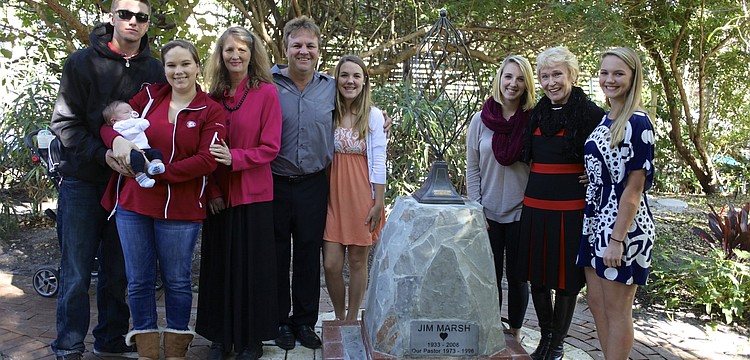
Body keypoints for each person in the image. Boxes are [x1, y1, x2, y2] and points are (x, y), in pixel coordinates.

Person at [48, 1, 164, 358]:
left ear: (147, 24)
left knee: (119, 272)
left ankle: (111, 341)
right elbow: (64, 124)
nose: (133, 22)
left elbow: (160, 124)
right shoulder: (80, 63)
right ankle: (68, 346)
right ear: (112, 17)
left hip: (128, 187)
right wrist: (104, 156)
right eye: (125, 14)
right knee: (77, 273)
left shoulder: (156, 69)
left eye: (141, 17)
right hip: (83, 182)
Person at [101, 40, 226, 360]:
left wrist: (161, 172)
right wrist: (115, 142)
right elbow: (109, 124)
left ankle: (174, 353)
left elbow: (207, 161)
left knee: (177, 281)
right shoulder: (148, 97)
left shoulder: (211, 109)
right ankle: (147, 353)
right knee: (139, 280)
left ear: (198, 66)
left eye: (185, 64)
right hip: (134, 205)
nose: (178, 71)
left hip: (181, 210)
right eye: (171, 65)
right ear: (164, 69)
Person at [196, 26, 282, 360]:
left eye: (242, 50)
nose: (235, 55)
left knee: (252, 270)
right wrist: (214, 189)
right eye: (229, 50)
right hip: (219, 197)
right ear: (221, 54)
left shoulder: (267, 94)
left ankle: (251, 340)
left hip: (255, 195)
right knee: (219, 268)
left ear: (252, 55)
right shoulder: (211, 96)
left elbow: (271, 147)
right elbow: (204, 149)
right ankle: (220, 338)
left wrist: (236, 158)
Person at [518, 46, 604, 360]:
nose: (551, 81)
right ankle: (545, 338)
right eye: (545, 75)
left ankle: (557, 344)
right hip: (535, 206)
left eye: (557, 74)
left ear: (572, 75)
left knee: (567, 281)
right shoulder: (535, 113)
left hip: (571, 208)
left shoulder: (593, 114)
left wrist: (596, 176)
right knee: (537, 279)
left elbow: (612, 159)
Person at [576, 47, 655, 360]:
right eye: (605, 72)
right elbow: (611, 167)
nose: (610, 79)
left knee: (617, 310)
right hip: (595, 222)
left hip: (622, 228)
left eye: (618, 73)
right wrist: (594, 176)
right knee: (597, 304)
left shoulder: (638, 122)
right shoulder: (606, 117)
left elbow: (634, 189)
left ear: (633, 77)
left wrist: (617, 240)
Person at [465, 55, 534, 343]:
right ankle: (491, 327)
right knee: (488, 277)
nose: (513, 84)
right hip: (488, 213)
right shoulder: (481, 120)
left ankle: (515, 332)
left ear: (527, 83)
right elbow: (472, 167)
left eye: (520, 78)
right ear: (499, 79)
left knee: (519, 278)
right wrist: (476, 207)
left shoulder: (533, 120)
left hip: (521, 212)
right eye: (508, 77)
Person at [322, 55, 386, 321]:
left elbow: (379, 159)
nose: (350, 81)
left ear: (364, 81)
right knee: (331, 264)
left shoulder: (372, 116)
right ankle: (337, 315)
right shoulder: (327, 111)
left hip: (362, 196)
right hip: (330, 197)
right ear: (336, 79)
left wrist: (378, 202)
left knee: (358, 262)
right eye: (344, 75)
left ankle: (351, 319)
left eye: (356, 76)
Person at [102, 101, 165, 188]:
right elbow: (129, 133)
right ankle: (140, 177)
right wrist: (139, 126)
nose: (132, 113)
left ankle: (154, 165)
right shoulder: (119, 126)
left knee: (156, 153)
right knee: (136, 159)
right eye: (126, 112)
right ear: (113, 120)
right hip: (131, 151)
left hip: (144, 148)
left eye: (131, 110)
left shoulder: (133, 122)